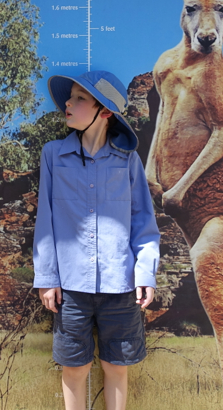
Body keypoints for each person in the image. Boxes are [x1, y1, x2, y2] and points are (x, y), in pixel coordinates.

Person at [33, 70, 161, 410]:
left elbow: (143, 220)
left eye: (79, 99)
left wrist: (145, 271)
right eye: (69, 97)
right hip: (71, 287)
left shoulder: (128, 161)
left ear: (104, 112)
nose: (67, 104)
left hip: (120, 286)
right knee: (75, 367)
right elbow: (44, 222)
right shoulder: (52, 156)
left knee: (116, 366)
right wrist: (47, 278)